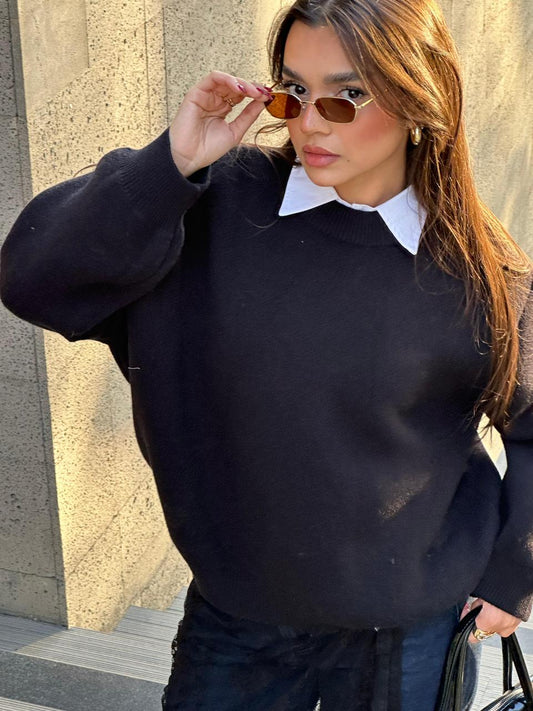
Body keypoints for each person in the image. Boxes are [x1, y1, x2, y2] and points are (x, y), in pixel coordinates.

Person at [1, 0, 532, 708]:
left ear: (418, 99)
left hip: (409, 631)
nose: (310, 122)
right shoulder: (210, 205)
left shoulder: (480, 269)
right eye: (293, 90)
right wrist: (171, 163)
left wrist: (512, 574)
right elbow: (34, 280)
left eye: (347, 95)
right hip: (235, 619)